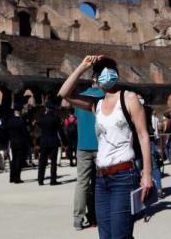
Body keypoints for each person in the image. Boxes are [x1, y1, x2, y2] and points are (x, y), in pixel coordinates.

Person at [58, 55, 153, 239]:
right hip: (101, 179)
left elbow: (143, 135)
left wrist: (147, 174)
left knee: (120, 234)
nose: (107, 74)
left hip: (124, 176)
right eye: (102, 72)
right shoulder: (97, 104)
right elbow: (64, 94)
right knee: (105, 235)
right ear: (95, 79)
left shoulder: (129, 98)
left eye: (111, 70)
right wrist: (82, 66)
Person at [71, 83, 104, 231]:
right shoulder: (104, 96)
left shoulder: (80, 98)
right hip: (100, 146)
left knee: (82, 184)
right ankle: (96, 216)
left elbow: (78, 118)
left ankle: (78, 219)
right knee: (99, 184)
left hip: (83, 145)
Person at [137, 93, 164, 198]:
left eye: (140, 99)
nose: (139, 101)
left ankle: (159, 189)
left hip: (149, 140)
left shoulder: (146, 109)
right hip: (137, 142)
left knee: (154, 165)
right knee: (138, 167)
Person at [38, 101, 65, 185]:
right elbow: (60, 131)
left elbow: (40, 126)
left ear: (46, 108)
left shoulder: (42, 118)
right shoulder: (55, 118)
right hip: (53, 141)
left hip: (44, 142)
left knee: (42, 162)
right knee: (53, 162)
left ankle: (40, 180)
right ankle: (53, 180)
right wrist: (65, 142)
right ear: (52, 110)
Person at [5, 103, 30, 183]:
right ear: (19, 111)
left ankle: (11, 177)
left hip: (12, 142)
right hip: (20, 143)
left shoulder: (10, 121)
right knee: (19, 161)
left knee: (13, 160)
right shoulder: (21, 121)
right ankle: (17, 178)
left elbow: (7, 131)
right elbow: (25, 133)